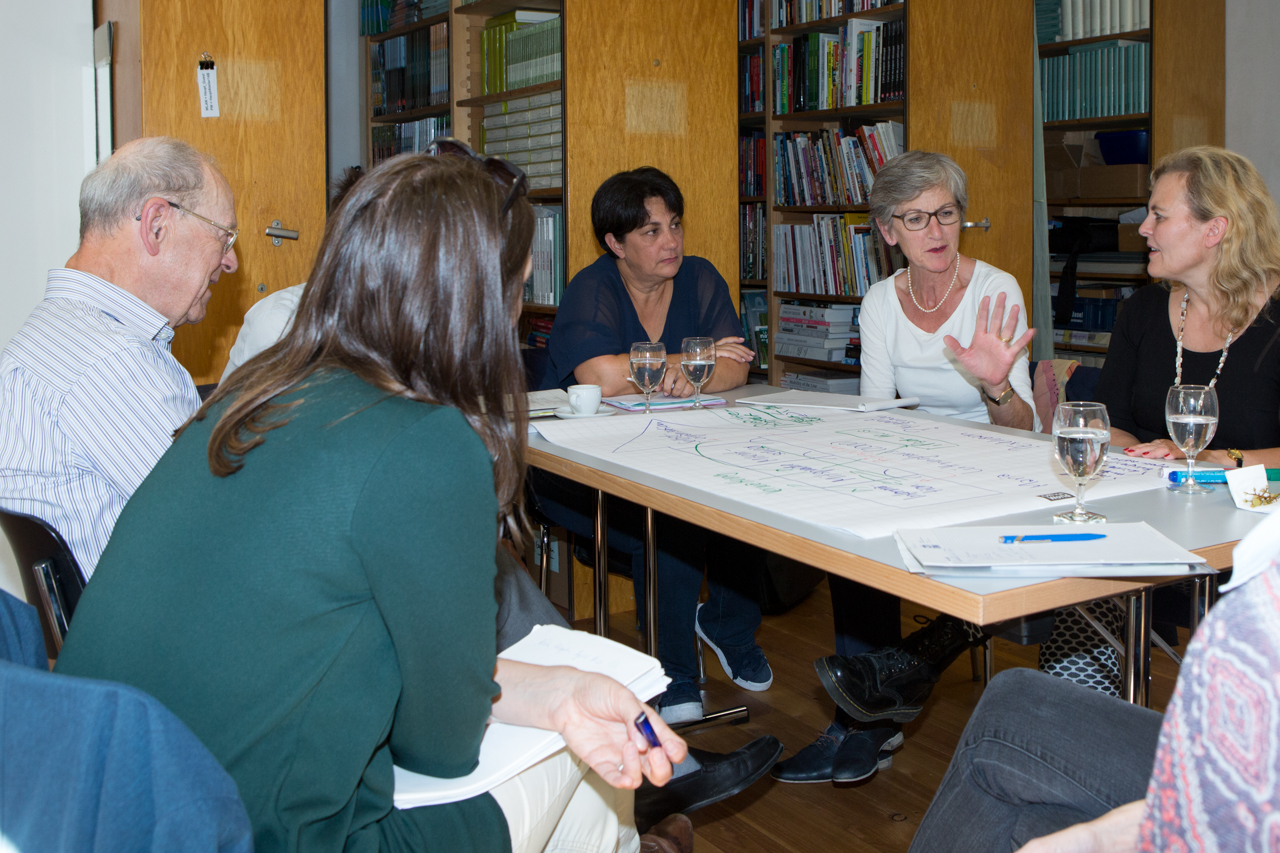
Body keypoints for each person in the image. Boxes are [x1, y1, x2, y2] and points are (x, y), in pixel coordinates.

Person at [55, 149, 694, 853]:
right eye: (514, 291)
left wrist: (562, 691)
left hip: (103, 809)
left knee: (580, 760)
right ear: (476, 302)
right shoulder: (426, 442)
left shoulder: (246, 398)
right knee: (588, 771)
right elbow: (440, 745)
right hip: (268, 836)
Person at [774, 150, 1036, 784]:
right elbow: (876, 417)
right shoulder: (879, 301)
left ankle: (861, 721)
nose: (936, 231)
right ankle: (870, 714)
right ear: (889, 231)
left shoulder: (995, 290)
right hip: (913, 470)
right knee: (849, 533)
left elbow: (1024, 431)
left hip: (993, 475)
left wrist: (995, 386)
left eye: (946, 213)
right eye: (916, 219)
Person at [1031, 146, 1280, 696]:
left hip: (1258, 539)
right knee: (1077, 583)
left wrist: (1217, 460)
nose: (1143, 228)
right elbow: (1111, 426)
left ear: (1215, 229)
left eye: (1159, 216)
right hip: (1154, 523)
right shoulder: (1142, 311)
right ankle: (1090, 731)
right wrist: (1149, 456)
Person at [534, 167, 773, 723]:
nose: (671, 242)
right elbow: (599, 376)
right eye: (651, 231)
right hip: (578, 474)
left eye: (675, 225)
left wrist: (685, 373)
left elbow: (736, 369)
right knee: (673, 517)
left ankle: (727, 627)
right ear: (615, 243)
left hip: (677, 452)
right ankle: (673, 676)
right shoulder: (591, 287)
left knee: (745, 494)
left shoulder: (700, 277)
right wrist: (690, 361)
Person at [909, 505, 1280, 853]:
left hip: (1237, 797)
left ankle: (913, 664)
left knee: (1020, 788)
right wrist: (1099, 835)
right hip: (1228, 767)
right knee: (1014, 702)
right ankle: (917, 660)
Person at [0, 136, 238, 576]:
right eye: (225, 237)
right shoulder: (111, 362)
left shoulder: (52, 335)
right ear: (156, 226)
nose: (231, 262)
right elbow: (228, 535)